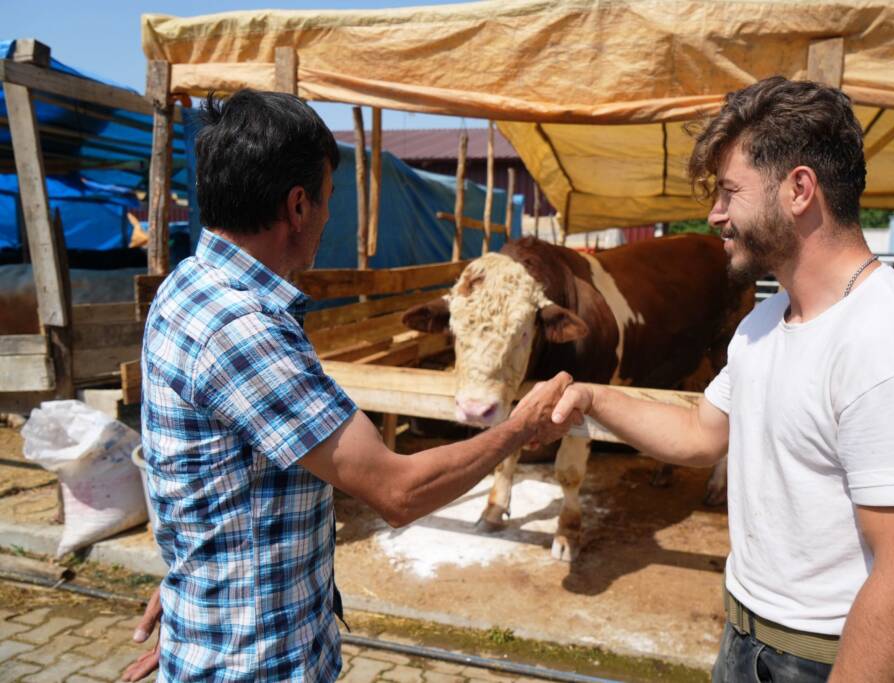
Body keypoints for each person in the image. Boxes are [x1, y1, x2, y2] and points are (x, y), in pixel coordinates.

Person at [121, 90, 578, 682]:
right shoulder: (241, 328)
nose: (330, 215)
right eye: (330, 199)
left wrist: (193, 593)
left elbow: (205, 475)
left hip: (228, 638)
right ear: (298, 205)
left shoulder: (189, 287)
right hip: (256, 664)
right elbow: (398, 492)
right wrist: (521, 428)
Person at [548, 77, 894, 682]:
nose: (714, 214)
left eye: (730, 193)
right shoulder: (765, 321)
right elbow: (701, 432)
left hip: (831, 659)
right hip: (746, 638)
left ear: (799, 189)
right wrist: (593, 397)